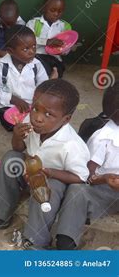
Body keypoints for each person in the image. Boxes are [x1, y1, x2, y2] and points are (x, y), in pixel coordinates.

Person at [0, 79, 90, 250]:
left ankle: (35, 240)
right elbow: (19, 148)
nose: (37, 118)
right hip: (29, 172)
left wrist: (49, 173)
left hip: (54, 183)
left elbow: (80, 178)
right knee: (11, 157)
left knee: (44, 185)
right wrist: (16, 136)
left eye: (48, 114)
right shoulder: (30, 123)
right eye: (35, 109)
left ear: (66, 119)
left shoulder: (72, 145)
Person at [55, 82, 119, 250]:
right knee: (77, 192)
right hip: (106, 190)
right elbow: (87, 176)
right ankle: (65, 243)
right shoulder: (103, 138)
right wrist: (105, 179)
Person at [0, 25, 48, 131]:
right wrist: (13, 99)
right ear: (10, 51)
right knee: (11, 123)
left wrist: (38, 101)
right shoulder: (0, 65)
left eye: (34, 47)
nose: (32, 52)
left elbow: (44, 86)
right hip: (8, 105)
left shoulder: (37, 65)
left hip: (32, 105)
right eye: (25, 49)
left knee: (47, 118)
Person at [26, 0, 71, 78]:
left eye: (60, 11)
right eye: (52, 10)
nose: (56, 14)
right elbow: (27, 40)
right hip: (37, 56)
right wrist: (46, 41)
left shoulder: (65, 26)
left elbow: (68, 46)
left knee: (58, 68)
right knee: (36, 67)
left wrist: (63, 49)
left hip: (55, 59)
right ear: (43, 8)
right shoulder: (33, 23)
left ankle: (50, 77)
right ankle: (47, 79)